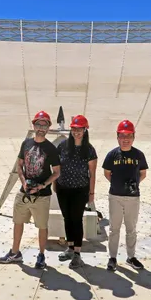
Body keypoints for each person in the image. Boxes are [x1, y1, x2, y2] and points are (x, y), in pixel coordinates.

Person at [0, 111, 60, 269]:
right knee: (18, 222)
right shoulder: (26, 143)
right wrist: (24, 182)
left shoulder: (51, 149)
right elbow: (20, 164)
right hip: (24, 192)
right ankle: (15, 252)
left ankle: (41, 255)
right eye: (38, 124)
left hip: (42, 196)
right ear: (34, 125)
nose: (41, 128)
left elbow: (57, 172)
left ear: (48, 128)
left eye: (44, 124)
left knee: (42, 226)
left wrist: (42, 185)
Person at [102, 119, 148, 271]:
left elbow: (143, 173)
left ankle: (131, 256)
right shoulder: (112, 155)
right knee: (114, 228)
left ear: (133, 137)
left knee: (131, 228)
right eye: (122, 136)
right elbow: (107, 173)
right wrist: (117, 185)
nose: (125, 139)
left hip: (133, 198)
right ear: (117, 137)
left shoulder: (138, 155)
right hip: (115, 196)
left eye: (129, 136)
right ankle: (112, 257)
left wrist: (134, 185)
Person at [54, 115, 98, 268]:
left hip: (80, 190)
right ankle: (70, 247)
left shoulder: (90, 150)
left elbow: (92, 173)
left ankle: (77, 253)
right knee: (67, 219)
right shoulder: (63, 146)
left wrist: (91, 194)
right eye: (74, 129)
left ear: (85, 130)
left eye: (80, 129)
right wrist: (55, 184)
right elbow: (56, 166)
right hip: (63, 189)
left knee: (77, 220)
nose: (76, 132)